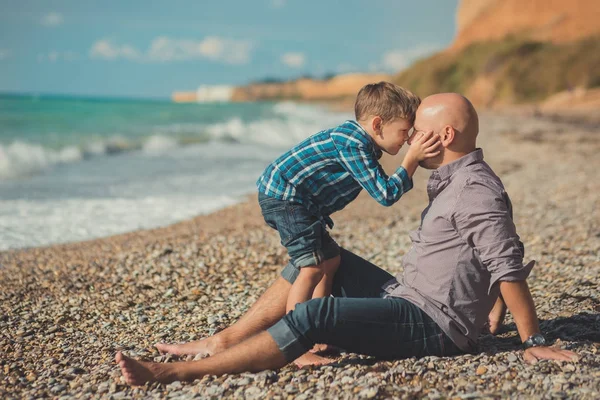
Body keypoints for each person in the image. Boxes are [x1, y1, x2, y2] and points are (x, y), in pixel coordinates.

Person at [117, 93, 578, 385]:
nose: (411, 138)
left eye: (418, 131)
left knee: (314, 312)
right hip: (408, 297)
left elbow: (505, 262)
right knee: (317, 258)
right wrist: (490, 307)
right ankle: (225, 340)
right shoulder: (454, 180)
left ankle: (175, 373)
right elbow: (482, 258)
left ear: (446, 135)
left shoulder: (476, 190)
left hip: (430, 324)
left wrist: (531, 338)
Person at [254, 82, 440, 364]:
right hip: (286, 198)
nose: (407, 139)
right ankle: (295, 346)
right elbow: (386, 194)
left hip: (302, 203)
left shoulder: (361, 142)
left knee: (330, 261)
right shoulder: (352, 143)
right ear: (378, 124)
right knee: (312, 268)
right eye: (404, 131)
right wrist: (410, 160)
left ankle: (320, 333)